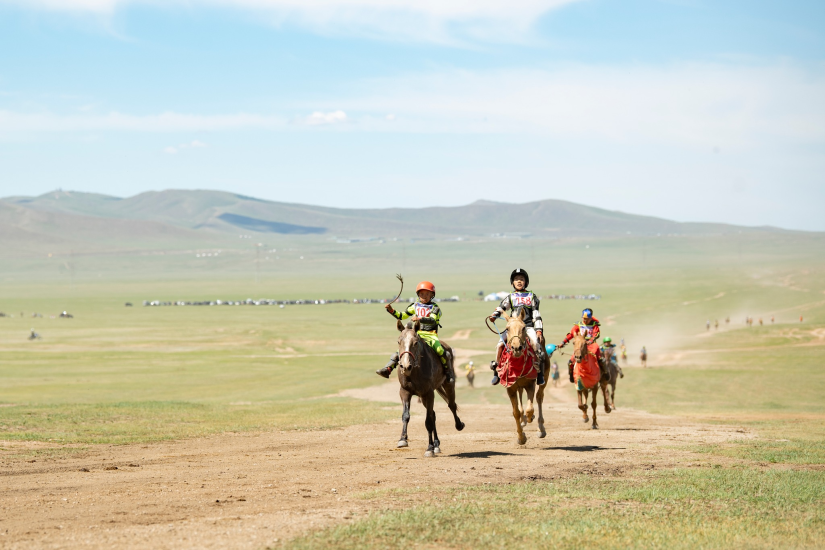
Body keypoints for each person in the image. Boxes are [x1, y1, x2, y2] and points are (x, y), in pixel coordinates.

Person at [377, 281, 454, 381]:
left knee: (440, 350)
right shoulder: (415, 306)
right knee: (402, 350)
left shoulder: (435, 308)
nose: (424, 296)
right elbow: (402, 315)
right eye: (422, 294)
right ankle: (388, 369)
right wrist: (391, 310)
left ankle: (448, 372)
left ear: (432, 295)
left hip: (430, 335)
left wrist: (420, 319)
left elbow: (433, 320)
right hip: (416, 334)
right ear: (418, 294)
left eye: (427, 294)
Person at [487, 268, 545, 386]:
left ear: (526, 282)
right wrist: (494, 315)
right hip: (513, 327)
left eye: (522, 279)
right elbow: (502, 307)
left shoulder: (531, 296)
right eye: (516, 279)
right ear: (512, 283)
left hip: (527, 327)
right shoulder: (510, 296)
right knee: (500, 344)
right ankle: (496, 371)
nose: (519, 281)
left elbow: (536, 314)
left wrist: (538, 331)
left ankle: (539, 373)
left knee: (535, 343)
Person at [559, 308, 601, 383]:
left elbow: (596, 334)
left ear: (591, 318)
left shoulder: (594, 325)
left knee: (600, 358)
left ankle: (603, 374)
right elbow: (571, 334)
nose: (585, 320)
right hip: (580, 345)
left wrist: (590, 341)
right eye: (584, 318)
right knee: (571, 361)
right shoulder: (578, 325)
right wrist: (563, 342)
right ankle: (571, 375)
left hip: (591, 344)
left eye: (587, 319)